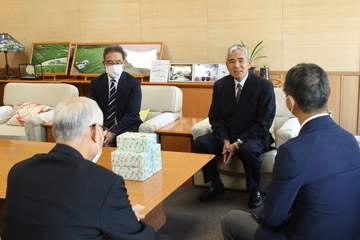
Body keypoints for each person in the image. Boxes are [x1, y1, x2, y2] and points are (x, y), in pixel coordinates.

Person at [221, 63, 360, 240]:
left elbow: (272, 218)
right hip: (350, 232)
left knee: (231, 219)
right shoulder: (351, 140)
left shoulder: (292, 151)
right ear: (329, 93)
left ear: (290, 102)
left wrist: (258, 215)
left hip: (306, 234)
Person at [1, 97, 170, 240]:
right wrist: (128, 219)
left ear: (54, 131)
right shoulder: (106, 182)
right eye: (102, 130)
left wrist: (121, 217)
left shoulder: (19, 170)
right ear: (95, 131)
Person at [193, 44, 276, 208]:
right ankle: (216, 185)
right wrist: (225, 140)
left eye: (241, 60)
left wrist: (238, 143)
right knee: (200, 143)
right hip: (227, 135)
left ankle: (255, 190)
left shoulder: (264, 86)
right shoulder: (220, 85)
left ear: (249, 63)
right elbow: (215, 117)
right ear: (227, 65)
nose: (236, 65)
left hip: (254, 136)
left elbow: (264, 122)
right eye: (232, 61)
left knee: (249, 149)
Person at [90, 45, 142, 147]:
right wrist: (100, 129)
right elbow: (93, 109)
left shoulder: (133, 83)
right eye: (110, 62)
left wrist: (113, 132)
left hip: (125, 126)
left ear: (124, 63)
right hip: (102, 125)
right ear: (104, 64)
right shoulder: (96, 82)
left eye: (118, 62)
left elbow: (132, 114)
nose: (114, 66)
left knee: (122, 140)